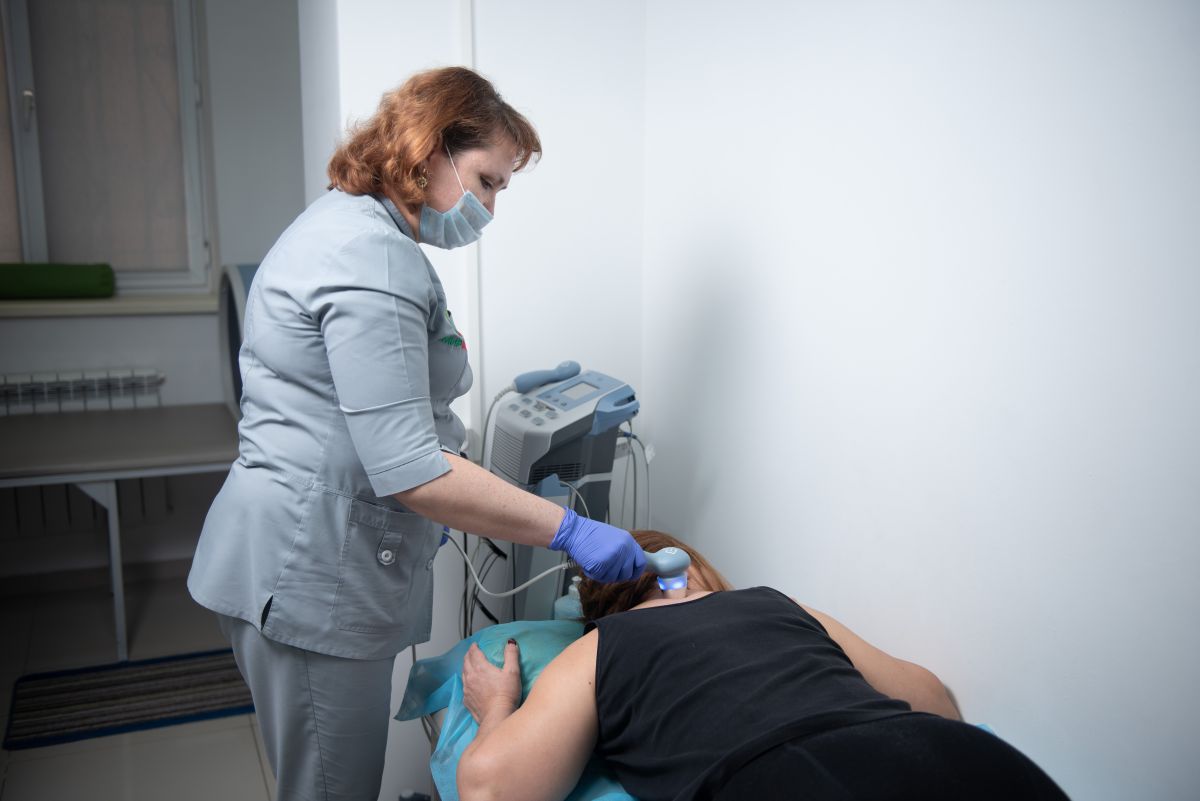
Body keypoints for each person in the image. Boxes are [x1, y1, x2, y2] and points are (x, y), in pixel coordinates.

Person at [186, 66, 645, 801]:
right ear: (431, 152)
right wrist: (568, 530)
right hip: (309, 574)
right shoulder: (370, 256)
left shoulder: (361, 234)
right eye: (487, 181)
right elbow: (412, 470)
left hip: (304, 556)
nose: (489, 208)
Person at [458, 531, 1069, 801]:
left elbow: (491, 787)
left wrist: (498, 707)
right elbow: (934, 700)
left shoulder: (599, 646)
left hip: (788, 780)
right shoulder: (776, 604)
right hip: (958, 759)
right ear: (697, 569)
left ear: (600, 607)